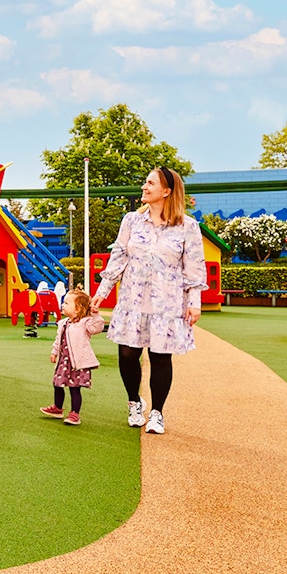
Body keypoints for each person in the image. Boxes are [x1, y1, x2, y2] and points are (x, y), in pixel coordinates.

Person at [92, 167, 207, 435]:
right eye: (145, 182)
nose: (144, 187)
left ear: (166, 191)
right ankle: (134, 402)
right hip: (133, 299)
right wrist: (103, 290)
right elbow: (119, 257)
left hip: (166, 304)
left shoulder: (188, 227)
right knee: (128, 353)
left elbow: (194, 267)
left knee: (160, 356)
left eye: (150, 183)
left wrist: (195, 301)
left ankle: (157, 413)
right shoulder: (131, 221)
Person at [40, 288, 105, 426]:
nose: (63, 305)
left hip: (78, 362)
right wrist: (54, 352)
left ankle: (75, 413)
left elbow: (97, 328)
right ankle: (58, 408)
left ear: (78, 309)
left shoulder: (85, 323)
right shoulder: (63, 323)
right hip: (64, 361)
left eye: (67, 303)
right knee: (57, 384)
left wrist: (96, 315)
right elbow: (59, 339)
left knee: (74, 387)